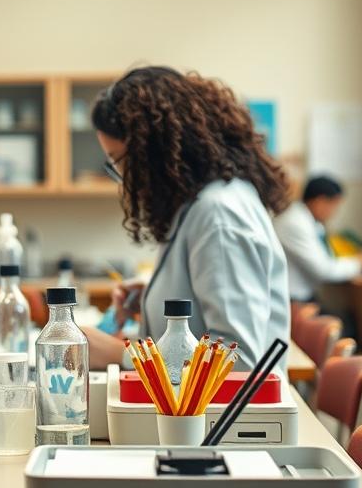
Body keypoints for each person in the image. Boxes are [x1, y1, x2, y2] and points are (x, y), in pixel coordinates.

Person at [82, 66, 292, 374]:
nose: (124, 178)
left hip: (228, 421)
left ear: (153, 152)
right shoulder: (200, 206)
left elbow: (241, 362)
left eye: (121, 162)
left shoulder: (219, 215)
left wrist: (121, 355)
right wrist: (161, 294)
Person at [273, 175, 362, 304]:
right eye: (334, 206)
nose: (334, 213)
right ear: (320, 202)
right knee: (343, 321)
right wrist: (359, 263)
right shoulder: (295, 223)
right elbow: (324, 270)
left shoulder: (309, 221)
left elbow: (328, 258)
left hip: (302, 296)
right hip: (292, 301)